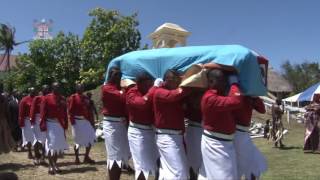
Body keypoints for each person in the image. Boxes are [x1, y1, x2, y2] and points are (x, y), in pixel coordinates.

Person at [198, 69, 242, 180]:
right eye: (222, 81)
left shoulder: (220, 95)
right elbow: (236, 101)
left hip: (223, 142)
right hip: (216, 143)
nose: (225, 84)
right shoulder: (210, 98)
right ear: (211, 81)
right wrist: (234, 83)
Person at [152, 69, 190, 180]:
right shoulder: (159, 91)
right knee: (178, 172)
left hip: (176, 136)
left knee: (174, 171)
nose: (178, 83)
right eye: (176, 80)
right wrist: (189, 85)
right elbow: (173, 96)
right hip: (166, 137)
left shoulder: (173, 93)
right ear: (168, 80)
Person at [126, 72, 159, 180]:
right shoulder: (132, 92)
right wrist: (153, 88)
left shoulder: (152, 91)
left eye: (150, 84)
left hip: (151, 131)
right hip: (137, 132)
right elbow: (142, 104)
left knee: (157, 163)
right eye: (147, 84)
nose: (149, 87)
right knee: (141, 167)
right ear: (138, 83)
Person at [101, 67, 132, 180]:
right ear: (110, 76)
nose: (118, 77)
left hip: (121, 124)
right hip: (111, 124)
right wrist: (126, 89)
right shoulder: (107, 88)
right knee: (114, 157)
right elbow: (123, 97)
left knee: (122, 155)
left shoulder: (119, 88)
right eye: (115, 75)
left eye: (119, 75)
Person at [233, 96, 267, 179]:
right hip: (237, 132)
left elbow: (262, 110)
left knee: (252, 164)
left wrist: (255, 97)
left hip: (243, 133)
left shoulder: (249, 95)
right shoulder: (234, 93)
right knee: (252, 164)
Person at [40, 82, 69, 175]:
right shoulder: (46, 98)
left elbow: (65, 113)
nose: (58, 88)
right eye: (56, 87)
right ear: (52, 88)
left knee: (58, 146)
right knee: (50, 145)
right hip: (50, 124)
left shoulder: (63, 98)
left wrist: (66, 124)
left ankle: (55, 164)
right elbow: (43, 113)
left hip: (59, 124)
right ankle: (50, 165)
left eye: (59, 87)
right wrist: (43, 125)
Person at [68, 83, 96, 164]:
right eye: (80, 88)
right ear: (76, 89)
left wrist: (92, 122)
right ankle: (77, 158)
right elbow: (70, 111)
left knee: (90, 138)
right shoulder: (73, 97)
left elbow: (89, 110)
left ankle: (86, 157)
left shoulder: (85, 97)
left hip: (86, 121)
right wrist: (73, 123)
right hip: (77, 122)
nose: (82, 89)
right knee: (77, 141)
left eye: (83, 87)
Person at [184, 90, 204, 180]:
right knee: (192, 161)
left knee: (199, 161)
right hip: (194, 129)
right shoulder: (189, 94)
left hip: (201, 130)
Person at [30, 85, 50, 165]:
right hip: (37, 120)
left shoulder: (49, 98)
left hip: (47, 120)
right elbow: (32, 110)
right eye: (45, 89)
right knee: (37, 139)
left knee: (46, 140)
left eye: (48, 89)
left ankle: (43, 157)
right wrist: (32, 121)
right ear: (42, 90)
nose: (46, 90)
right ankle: (36, 156)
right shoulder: (37, 98)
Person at [19, 87, 36, 159]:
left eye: (34, 91)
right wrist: (21, 122)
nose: (33, 92)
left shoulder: (37, 99)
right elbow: (21, 113)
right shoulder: (24, 100)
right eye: (32, 91)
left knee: (35, 137)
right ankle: (29, 152)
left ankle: (36, 152)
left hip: (35, 121)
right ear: (29, 91)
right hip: (27, 121)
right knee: (28, 137)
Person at [0, 82, 15, 154]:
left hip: (3, 121)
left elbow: (7, 112)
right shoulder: (4, 98)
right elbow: (7, 112)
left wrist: (10, 123)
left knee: (3, 138)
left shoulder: (4, 98)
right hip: (3, 121)